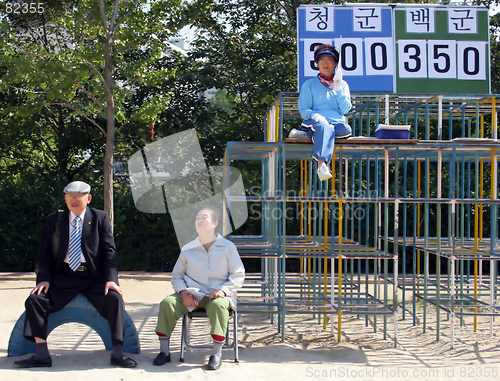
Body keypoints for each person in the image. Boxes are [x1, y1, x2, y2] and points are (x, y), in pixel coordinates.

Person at [14, 181, 137, 368]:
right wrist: (44, 279)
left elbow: (109, 251)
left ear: (88, 198)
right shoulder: (54, 220)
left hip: (93, 276)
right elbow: (44, 253)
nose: (74, 199)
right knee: (35, 300)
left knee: (115, 299)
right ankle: (41, 354)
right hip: (63, 276)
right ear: (65, 198)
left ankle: (118, 353)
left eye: (78, 195)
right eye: (70, 195)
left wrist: (111, 280)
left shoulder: (100, 218)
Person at [153, 204, 245, 371]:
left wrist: (223, 290)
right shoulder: (188, 248)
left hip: (217, 296)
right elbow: (177, 276)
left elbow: (238, 275)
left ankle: (216, 354)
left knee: (218, 306)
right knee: (167, 303)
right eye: (197, 218)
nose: (199, 221)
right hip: (191, 295)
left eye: (204, 217)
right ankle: (164, 352)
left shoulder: (227, 247)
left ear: (215, 223)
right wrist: (183, 293)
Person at [290, 44, 352, 181]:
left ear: (336, 63)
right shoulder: (309, 85)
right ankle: (322, 164)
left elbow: (345, 109)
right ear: (317, 63)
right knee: (324, 127)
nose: (325, 63)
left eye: (329, 60)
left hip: (337, 125)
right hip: (315, 122)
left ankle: (306, 136)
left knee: (346, 130)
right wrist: (317, 116)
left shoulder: (342, 85)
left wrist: (338, 89)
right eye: (321, 60)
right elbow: (304, 109)